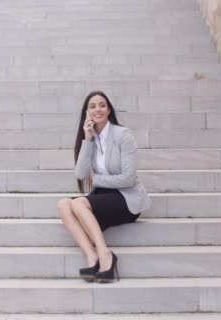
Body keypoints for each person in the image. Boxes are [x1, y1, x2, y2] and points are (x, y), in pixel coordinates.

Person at [57, 91, 152, 283]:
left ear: (109, 110)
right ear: (87, 112)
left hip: (126, 198)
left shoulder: (123, 135)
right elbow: (81, 174)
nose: (97, 109)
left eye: (102, 105)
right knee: (63, 205)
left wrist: (98, 179)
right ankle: (92, 257)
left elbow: (128, 178)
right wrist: (87, 138)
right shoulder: (90, 137)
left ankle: (105, 254)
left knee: (78, 204)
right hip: (105, 196)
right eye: (92, 106)